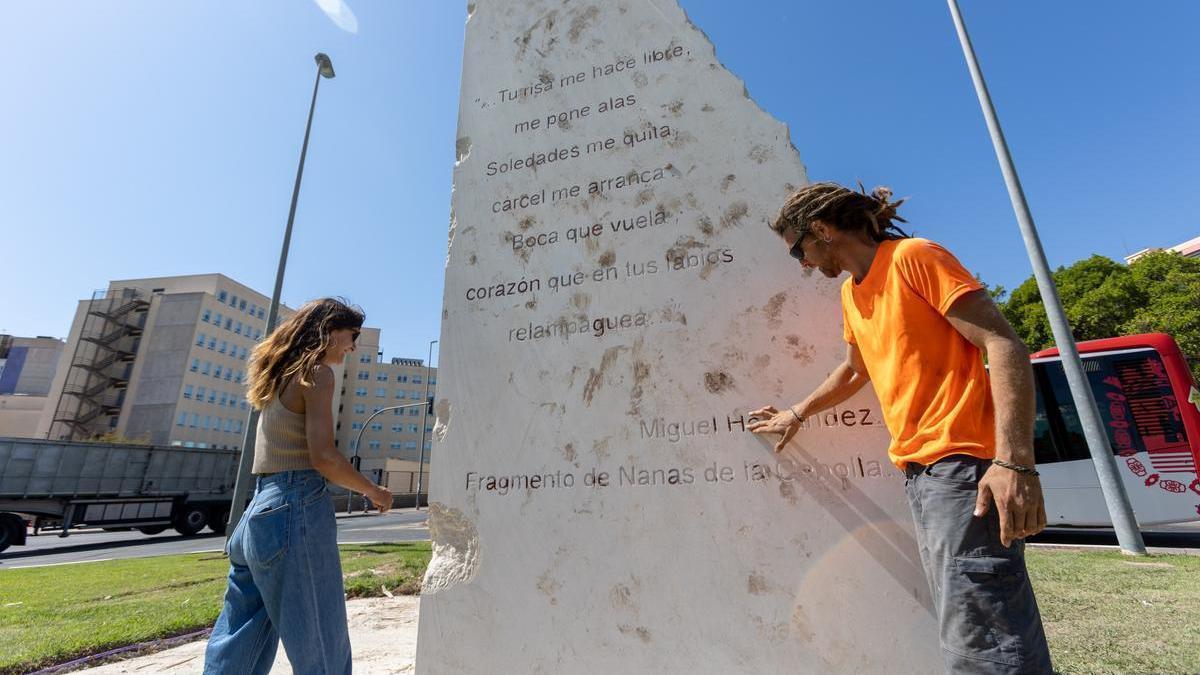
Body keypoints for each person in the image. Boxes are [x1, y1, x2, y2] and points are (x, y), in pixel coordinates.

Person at [749, 182, 1052, 674]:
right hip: (921, 476)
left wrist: (1014, 462)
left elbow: (1003, 343)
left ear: (821, 230)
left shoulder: (914, 257)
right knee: (967, 624)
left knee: (986, 636)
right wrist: (797, 411)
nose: (801, 264)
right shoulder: (851, 293)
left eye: (797, 250)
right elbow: (854, 369)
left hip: (962, 468)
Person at [204, 298, 393, 675]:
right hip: (296, 507)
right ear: (329, 330)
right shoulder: (317, 373)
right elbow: (323, 457)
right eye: (351, 336)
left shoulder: (275, 375)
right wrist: (374, 491)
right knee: (321, 645)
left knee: (239, 641)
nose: (353, 346)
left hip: (256, 515)